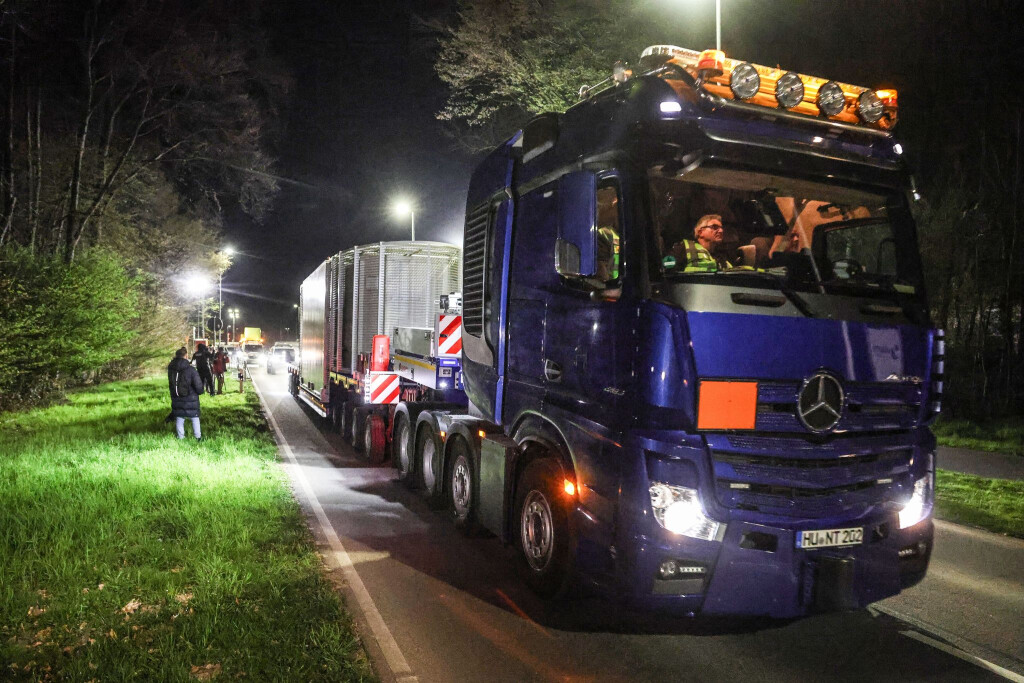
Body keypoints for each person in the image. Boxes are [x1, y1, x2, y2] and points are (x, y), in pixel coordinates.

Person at [168, 347, 204, 441]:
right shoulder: (191, 369)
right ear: (186, 355)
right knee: (194, 417)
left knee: (180, 417)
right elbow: (198, 384)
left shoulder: (171, 369)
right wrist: (200, 391)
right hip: (191, 397)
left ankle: (181, 438)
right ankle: (198, 437)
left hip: (177, 397)